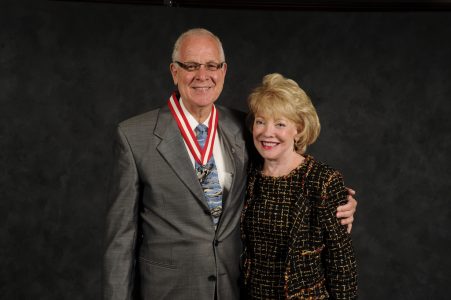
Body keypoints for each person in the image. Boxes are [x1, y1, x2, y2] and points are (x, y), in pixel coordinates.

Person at [102, 28, 357, 300]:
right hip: (168, 291)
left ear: (223, 71)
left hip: (234, 289)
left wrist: (337, 200)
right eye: (191, 66)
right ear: (174, 71)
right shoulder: (133, 136)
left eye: (212, 65)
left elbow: (289, 169)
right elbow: (120, 239)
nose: (203, 75)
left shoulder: (246, 128)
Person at [241, 73, 358, 299]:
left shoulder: (322, 180)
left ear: (299, 129)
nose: (267, 132)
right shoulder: (249, 175)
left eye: (280, 124)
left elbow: (341, 262)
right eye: (260, 121)